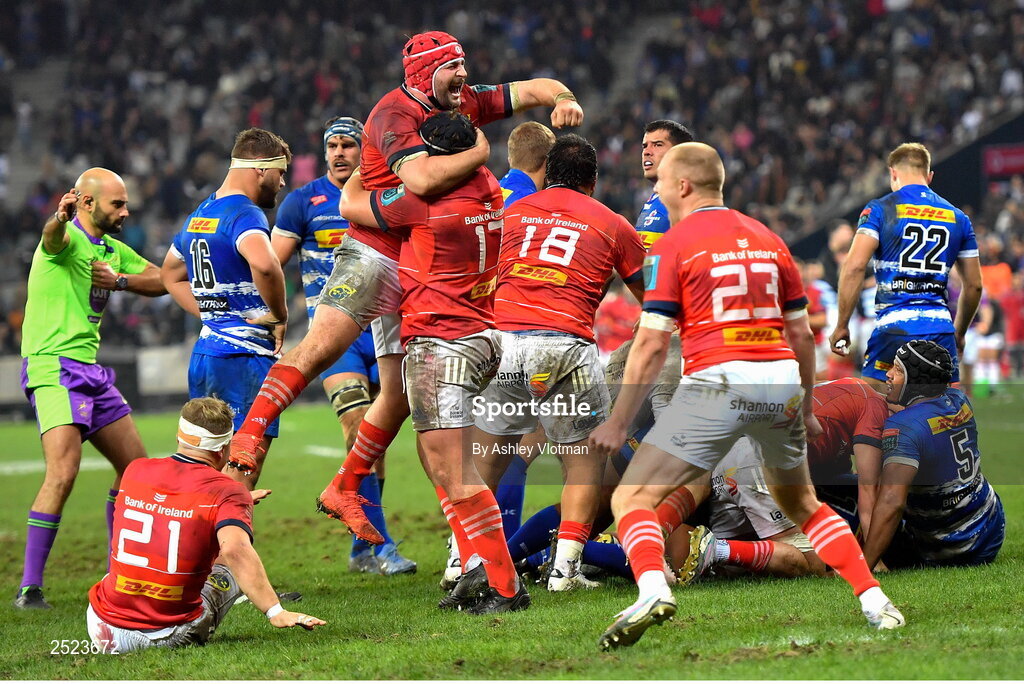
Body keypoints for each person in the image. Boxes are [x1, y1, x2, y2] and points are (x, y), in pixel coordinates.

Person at [228, 30, 584, 544]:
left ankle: (346, 485)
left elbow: (533, 89)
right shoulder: (393, 115)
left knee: (397, 395)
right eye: (451, 68)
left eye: (464, 66)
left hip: (424, 263)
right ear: (423, 75)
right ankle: (249, 434)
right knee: (322, 347)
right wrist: (480, 149)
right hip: (378, 251)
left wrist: (564, 98)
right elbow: (417, 183)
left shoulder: (463, 102)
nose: (463, 77)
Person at [590, 143, 903, 651]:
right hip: (777, 381)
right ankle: (874, 600)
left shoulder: (673, 244)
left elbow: (649, 343)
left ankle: (651, 590)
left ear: (685, 186)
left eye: (662, 182)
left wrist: (620, 419)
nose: (658, 191)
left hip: (716, 380)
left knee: (631, 496)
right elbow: (802, 337)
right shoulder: (769, 239)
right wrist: (804, 406)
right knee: (804, 505)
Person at [341, 110, 524, 614]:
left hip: (440, 343)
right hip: (484, 336)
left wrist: (376, 159)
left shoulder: (422, 202)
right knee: (448, 470)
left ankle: (506, 589)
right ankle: (477, 572)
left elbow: (350, 204)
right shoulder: (489, 185)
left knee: (456, 474)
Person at [473, 134, 646, 592]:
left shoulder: (509, 214)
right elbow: (652, 297)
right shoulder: (613, 223)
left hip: (503, 340)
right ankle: (563, 571)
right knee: (583, 460)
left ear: (546, 172)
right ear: (592, 180)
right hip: (565, 343)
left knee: (488, 458)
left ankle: (466, 562)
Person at [270, 117, 414, 575]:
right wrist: (271, 314)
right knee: (356, 427)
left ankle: (360, 548)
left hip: (387, 329)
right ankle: (384, 546)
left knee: (377, 441)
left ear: (363, 149)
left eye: (348, 144)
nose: (338, 153)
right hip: (338, 336)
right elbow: (271, 264)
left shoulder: (387, 191)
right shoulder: (302, 202)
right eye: (331, 145)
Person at [16, 168, 166, 609]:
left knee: (137, 470)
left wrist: (120, 281)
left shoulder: (112, 251)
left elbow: (159, 279)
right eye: (117, 204)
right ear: (84, 202)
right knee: (63, 472)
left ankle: (116, 569)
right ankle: (29, 588)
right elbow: (51, 236)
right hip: (52, 366)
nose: (125, 211)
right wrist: (57, 217)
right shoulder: (63, 242)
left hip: (90, 371)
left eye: (125, 203)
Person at [86, 398, 324, 653]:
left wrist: (229, 504)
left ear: (180, 436)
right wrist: (275, 611)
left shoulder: (135, 469)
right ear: (224, 449)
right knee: (228, 568)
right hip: (168, 635)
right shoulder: (227, 492)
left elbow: (170, 504)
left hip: (102, 627)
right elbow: (235, 551)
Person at [443, 120, 557, 588]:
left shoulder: (486, 194)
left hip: (473, 330)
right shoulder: (535, 206)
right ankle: (467, 557)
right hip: (517, 331)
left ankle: (476, 553)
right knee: (509, 447)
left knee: (505, 444)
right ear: (546, 164)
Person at [160, 128, 291, 488]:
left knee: (205, 465)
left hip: (206, 353)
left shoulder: (201, 213)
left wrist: (211, 315)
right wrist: (279, 315)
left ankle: (196, 541)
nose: (282, 184)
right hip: (243, 359)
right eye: (281, 173)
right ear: (261, 169)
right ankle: (230, 542)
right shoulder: (245, 213)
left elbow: (170, 275)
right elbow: (266, 265)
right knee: (243, 463)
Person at [830, 143, 983, 390]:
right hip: (939, 329)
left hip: (894, 326)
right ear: (929, 176)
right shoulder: (959, 218)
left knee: (875, 411)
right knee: (937, 417)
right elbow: (974, 286)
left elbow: (854, 267)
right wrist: (960, 332)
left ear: (892, 173)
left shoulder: (879, 209)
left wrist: (841, 324)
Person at [862, 341, 1004, 569]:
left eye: (897, 370)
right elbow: (922, 416)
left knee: (858, 487)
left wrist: (863, 569)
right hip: (990, 530)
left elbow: (892, 502)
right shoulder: (958, 399)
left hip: (949, 549)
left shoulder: (903, 427)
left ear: (914, 381)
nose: (888, 374)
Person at [634, 120, 695, 249]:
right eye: (645, 146)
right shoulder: (654, 199)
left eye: (657, 145)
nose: (647, 152)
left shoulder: (687, 200)